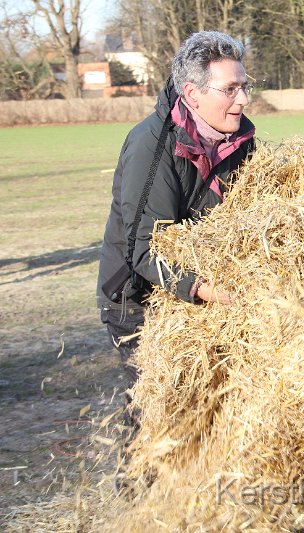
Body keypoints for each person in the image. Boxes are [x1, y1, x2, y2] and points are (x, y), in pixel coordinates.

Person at [96, 31, 256, 397]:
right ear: (192, 93)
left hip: (203, 291)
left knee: (216, 404)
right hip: (137, 299)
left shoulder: (240, 142)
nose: (243, 99)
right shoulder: (151, 145)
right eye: (230, 89)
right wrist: (203, 289)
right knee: (160, 412)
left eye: (245, 87)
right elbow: (143, 248)